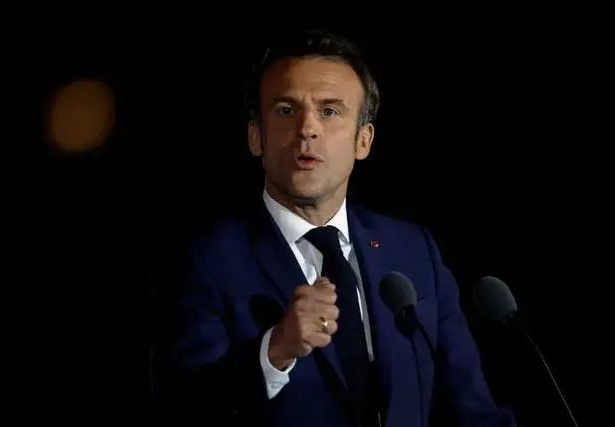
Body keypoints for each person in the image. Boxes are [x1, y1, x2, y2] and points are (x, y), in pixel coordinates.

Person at [174, 29, 516, 427]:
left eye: (330, 111)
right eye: (286, 110)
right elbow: (183, 404)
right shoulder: (207, 261)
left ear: (363, 141)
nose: (307, 128)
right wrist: (275, 350)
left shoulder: (413, 251)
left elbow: (473, 409)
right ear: (256, 136)